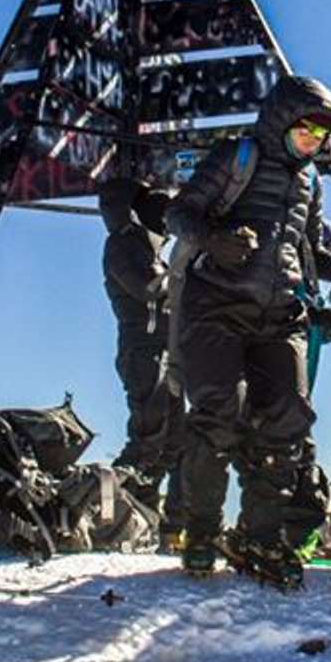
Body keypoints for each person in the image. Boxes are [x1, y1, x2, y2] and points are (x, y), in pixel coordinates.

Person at [166, 74, 331, 586]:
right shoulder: (237, 157)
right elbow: (179, 212)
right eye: (305, 131)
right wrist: (216, 239)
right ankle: (200, 533)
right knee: (218, 415)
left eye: (321, 136)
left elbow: (307, 252)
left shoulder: (310, 182)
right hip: (216, 307)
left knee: (287, 420)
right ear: (281, 120)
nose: (312, 142)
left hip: (279, 315)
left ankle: (260, 537)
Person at [98, 177, 186, 547]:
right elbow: (148, 288)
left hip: (166, 351)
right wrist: (185, 278)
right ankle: (105, 513)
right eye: (162, 214)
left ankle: (150, 521)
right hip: (143, 351)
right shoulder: (124, 244)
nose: (167, 223)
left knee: (176, 442)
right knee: (149, 439)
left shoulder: (151, 251)